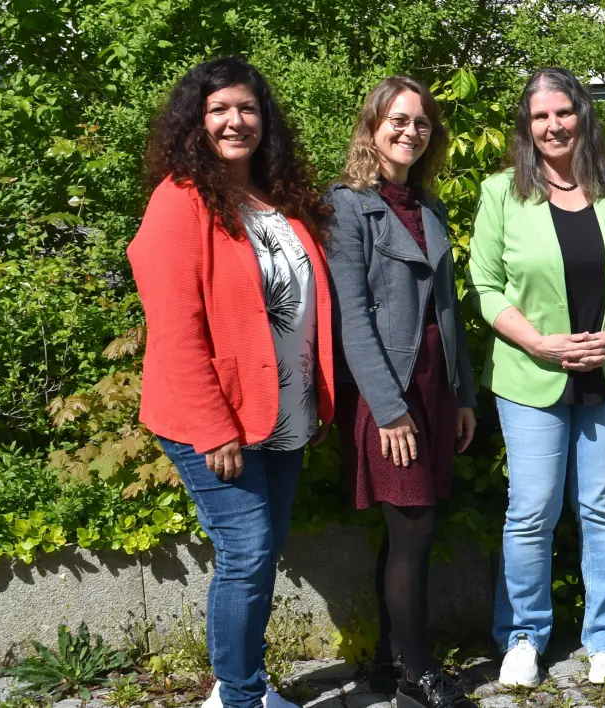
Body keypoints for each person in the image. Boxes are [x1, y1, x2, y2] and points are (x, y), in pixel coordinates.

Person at [128, 56, 334, 708]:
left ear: (263, 120)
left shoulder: (278, 199)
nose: (235, 120)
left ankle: (244, 681)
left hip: (281, 413)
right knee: (245, 554)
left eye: (247, 108)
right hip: (216, 421)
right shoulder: (180, 201)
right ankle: (239, 696)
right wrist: (214, 427)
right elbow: (175, 330)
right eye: (220, 109)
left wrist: (317, 396)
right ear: (197, 120)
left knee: (261, 552)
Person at [467, 67, 605, 689]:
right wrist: (540, 344)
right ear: (527, 128)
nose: (553, 125)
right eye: (540, 116)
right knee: (530, 510)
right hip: (531, 375)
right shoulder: (502, 191)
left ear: (582, 115)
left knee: (602, 506)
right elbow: (485, 285)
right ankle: (523, 635)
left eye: (563, 112)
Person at [325, 77, 478, 708]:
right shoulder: (347, 205)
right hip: (388, 391)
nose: (410, 131)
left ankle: (388, 665)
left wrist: (463, 393)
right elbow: (352, 317)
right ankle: (419, 672)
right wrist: (387, 410)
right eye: (398, 120)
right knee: (414, 527)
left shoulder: (429, 206)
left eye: (421, 123)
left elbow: (448, 309)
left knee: (404, 531)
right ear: (372, 126)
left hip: (434, 388)